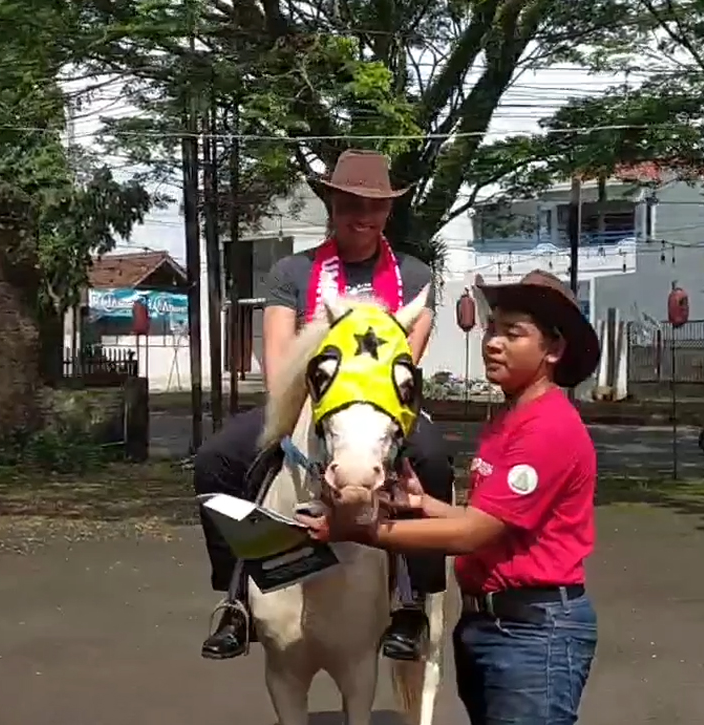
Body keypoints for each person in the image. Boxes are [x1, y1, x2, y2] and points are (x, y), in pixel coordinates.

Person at [297, 270, 601, 725]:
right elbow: (491, 518)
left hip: (533, 633)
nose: (493, 343)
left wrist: (364, 530)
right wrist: (422, 504)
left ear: (553, 350)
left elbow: (473, 533)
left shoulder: (548, 428)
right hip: (491, 624)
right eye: (492, 328)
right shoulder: (508, 419)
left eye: (513, 333)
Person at [193, 149, 456, 661]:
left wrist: (369, 416)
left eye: (375, 206)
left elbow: (404, 363)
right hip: (304, 404)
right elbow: (278, 358)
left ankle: (413, 603)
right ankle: (235, 598)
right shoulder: (292, 272)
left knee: (432, 460)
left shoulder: (415, 276)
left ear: (389, 212)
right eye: (349, 203)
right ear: (331, 205)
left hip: (382, 410)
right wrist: (301, 415)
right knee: (215, 462)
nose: (362, 215)